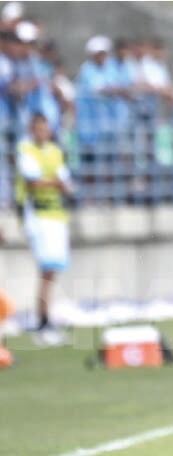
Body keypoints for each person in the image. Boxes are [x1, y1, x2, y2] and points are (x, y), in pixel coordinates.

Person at [16, 112, 73, 346]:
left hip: (55, 214)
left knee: (52, 271)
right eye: (38, 128)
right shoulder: (26, 150)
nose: (42, 133)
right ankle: (42, 321)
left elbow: (65, 184)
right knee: (46, 268)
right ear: (32, 130)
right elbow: (32, 181)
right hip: (37, 214)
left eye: (45, 128)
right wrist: (55, 182)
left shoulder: (56, 152)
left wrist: (56, 183)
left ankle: (46, 318)